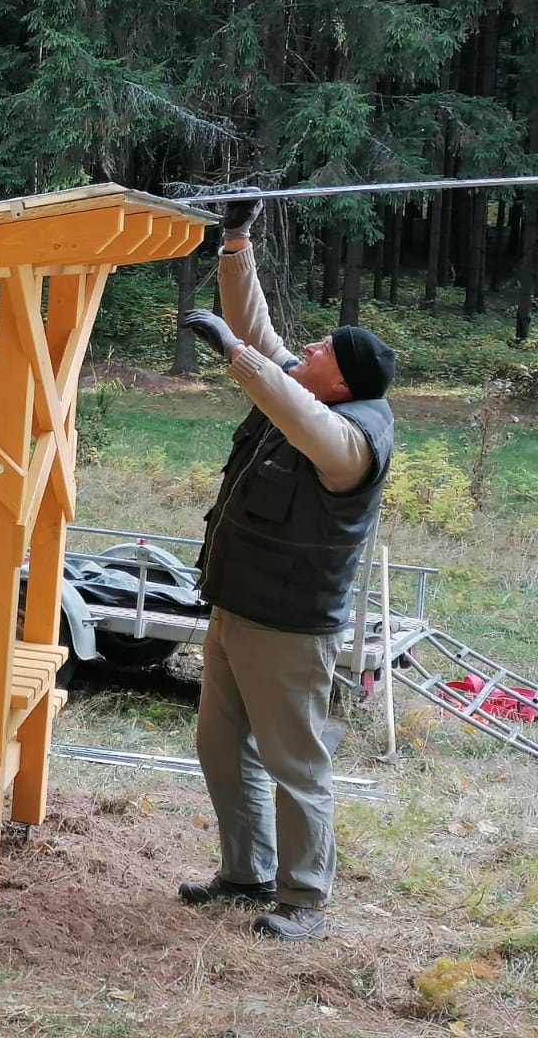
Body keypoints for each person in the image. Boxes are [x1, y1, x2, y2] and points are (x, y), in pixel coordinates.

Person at [177, 199, 396, 941]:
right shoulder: (308, 390)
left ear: (344, 381)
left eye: (324, 347)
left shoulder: (351, 441)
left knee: (295, 766)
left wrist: (236, 356)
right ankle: (246, 875)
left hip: (290, 628)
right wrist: (236, 241)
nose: (307, 346)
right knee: (219, 747)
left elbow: (288, 399)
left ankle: (305, 902)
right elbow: (261, 332)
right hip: (236, 607)